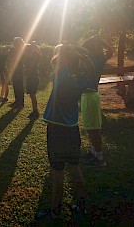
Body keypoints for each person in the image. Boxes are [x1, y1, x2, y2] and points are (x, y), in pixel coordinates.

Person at [36, 43, 94, 221]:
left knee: (57, 173)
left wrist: (64, 52)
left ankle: (55, 212)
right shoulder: (79, 80)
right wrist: (82, 57)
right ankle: (82, 205)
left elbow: (54, 62)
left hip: (56, 131)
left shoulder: (60, 77)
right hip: (72, 131)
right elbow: (91, 72)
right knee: (75, 169)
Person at [81, 35, 113, 167]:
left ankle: (99, 158)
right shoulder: (94, 58)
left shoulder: (98, 58)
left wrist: (102, 41)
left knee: (94, 128)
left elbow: (110, 51)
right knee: (90, 127)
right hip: (86, 95)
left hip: (90, 95)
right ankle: (94, 152)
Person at [25, 41, 42, 118]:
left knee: (33, 94)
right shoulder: (31, 55)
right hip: (31, 76)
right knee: (32, 95)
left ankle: (35, 111)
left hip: (33, 77)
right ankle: (35, 111)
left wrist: (33, 47)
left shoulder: (35, 55)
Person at [10, 37, 26, 107]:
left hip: (19, 70)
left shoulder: (21, 51)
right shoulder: (15, 50)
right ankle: (17, 101)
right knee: (15, 85)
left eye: (15, 43)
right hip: (15, 69)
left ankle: (20, 102)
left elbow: (20, 61)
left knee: (19, 86)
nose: (14, 45)